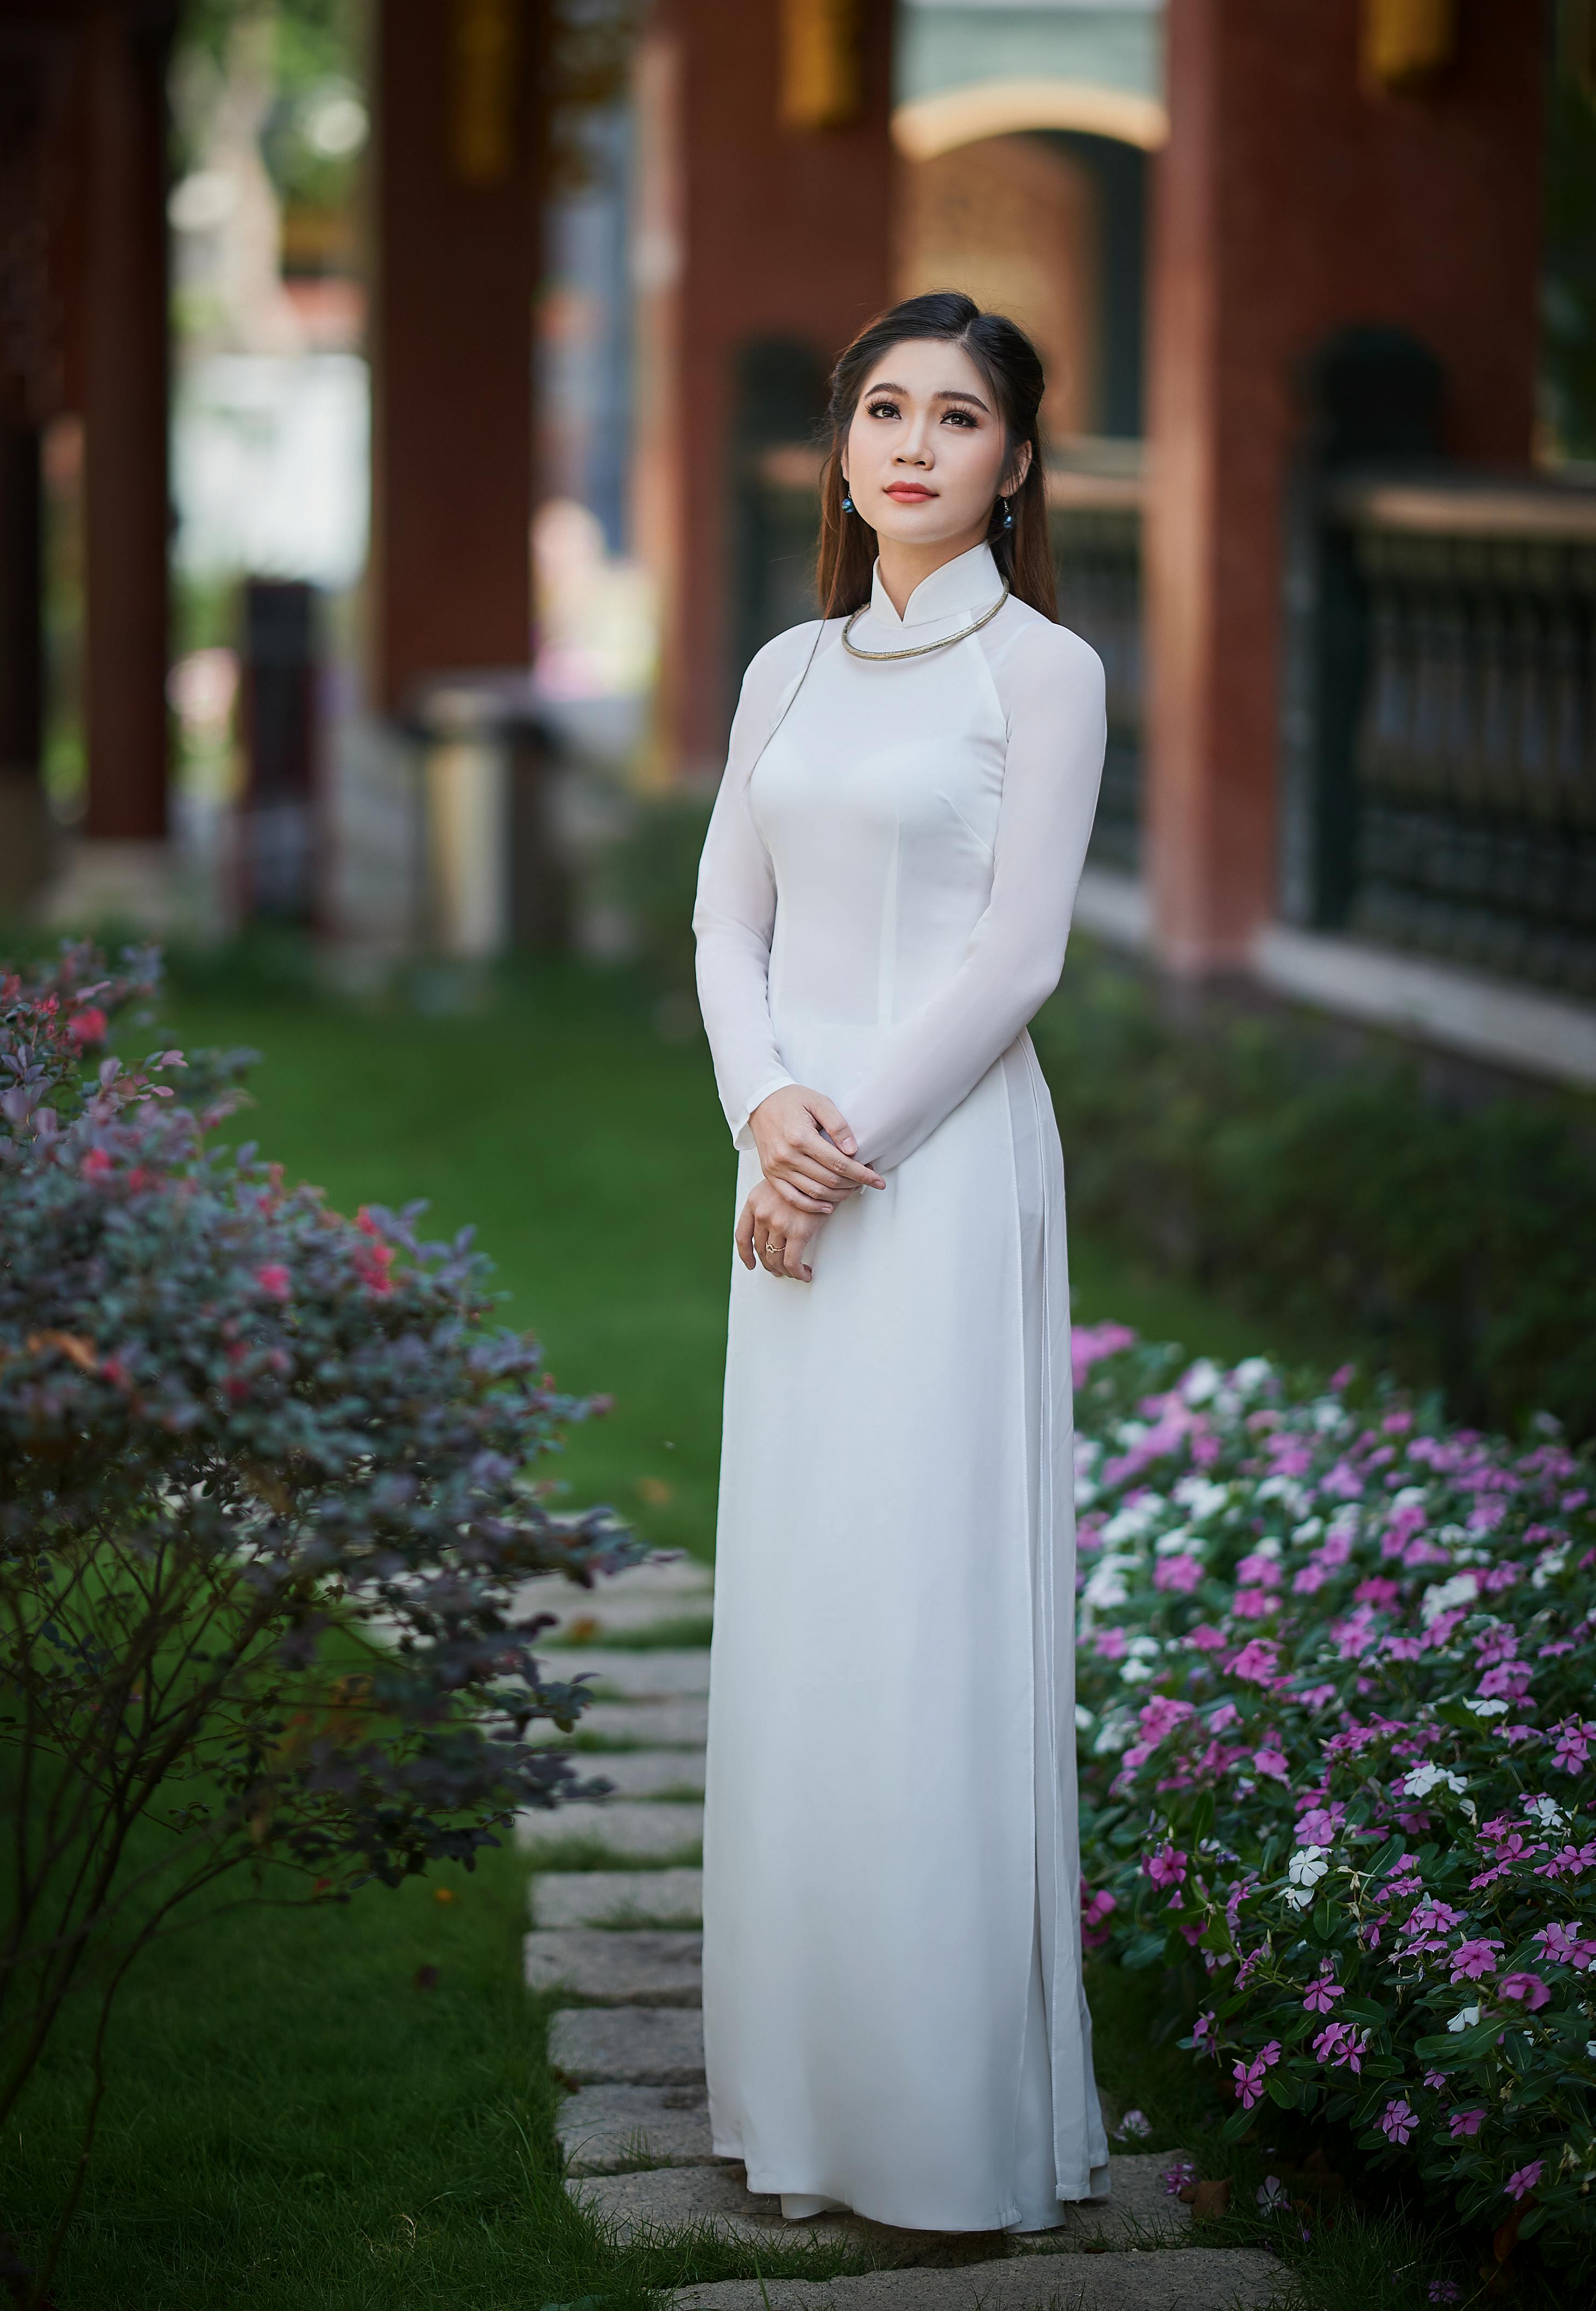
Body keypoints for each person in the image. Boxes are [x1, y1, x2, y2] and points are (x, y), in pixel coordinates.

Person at [693, 289, 1112, 2233]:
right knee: (806, 1613)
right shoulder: (784, 668)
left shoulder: (1043, 673)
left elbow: (1017, 960)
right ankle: (803, 2096)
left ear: (1017, 465)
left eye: (959, 418)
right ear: (844, 448)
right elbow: (725, 932)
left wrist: (839, 1152)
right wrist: (762, 1118)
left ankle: (941, 2123)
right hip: (790, 1170)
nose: (914, 444)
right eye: (884, 409)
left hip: (937, 1185)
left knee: (929, 1612)